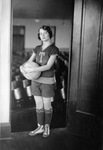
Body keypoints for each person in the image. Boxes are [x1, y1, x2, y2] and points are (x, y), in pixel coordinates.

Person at [26, 25, 59, 137]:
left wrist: (33, 69)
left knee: (46, 105)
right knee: (38, 104)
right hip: (35, 80)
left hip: (47, 81)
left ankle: (46, 127)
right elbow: (29, 62)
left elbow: (48, 66)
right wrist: (23, 67)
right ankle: (40, 126)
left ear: (50, 34)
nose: (43, 35)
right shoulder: (37, 48)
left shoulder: (54, 49)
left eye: (45, 33)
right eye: (40, 33)